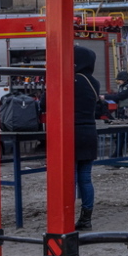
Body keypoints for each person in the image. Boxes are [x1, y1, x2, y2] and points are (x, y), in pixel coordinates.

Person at [42, 46, 100, 230]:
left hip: (69, 134)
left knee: (70, 178)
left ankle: (66, 218)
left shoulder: (64, 80)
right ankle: (86, 218)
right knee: (85, 178)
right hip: (89, 132)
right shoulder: (94, 82)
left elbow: (44, 104)